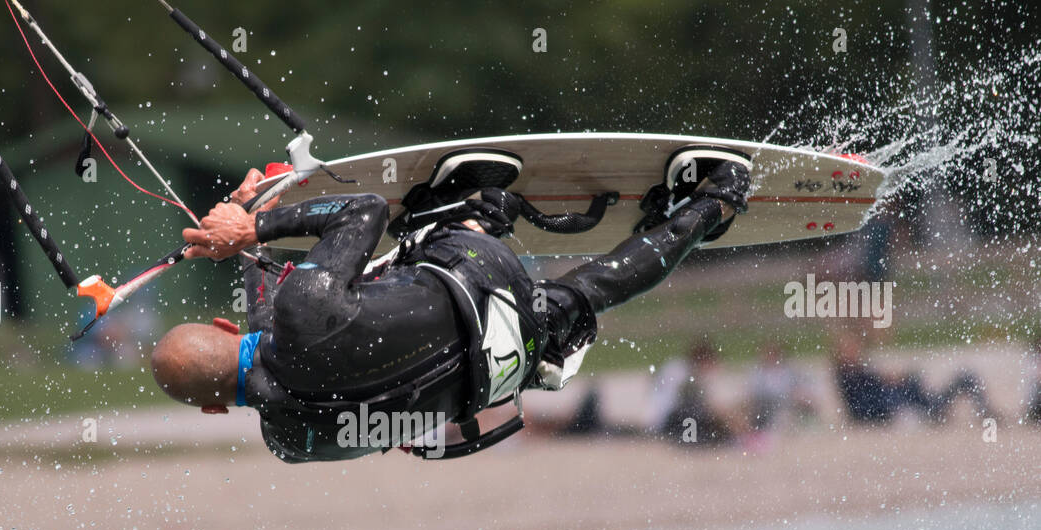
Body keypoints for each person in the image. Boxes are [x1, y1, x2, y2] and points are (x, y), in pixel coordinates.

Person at [150, 148, 751, 462]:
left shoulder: (289, 444)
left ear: (209, 411)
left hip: (505, 366)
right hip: (480, 275)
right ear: (222, 326)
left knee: (594, 290)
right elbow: (364, 211)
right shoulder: (300, 312)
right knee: (417, 231)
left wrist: (251, 216)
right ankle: (476, 207)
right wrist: (257, 227)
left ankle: (713, 204)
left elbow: (272, 337)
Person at [832, 331, 996, 425]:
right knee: (963, 379)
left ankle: (985, 412)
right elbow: (865, 404)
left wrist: (892, 380)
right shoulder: (851, 376)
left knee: (960, 379)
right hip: (907, 407)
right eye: (850, 349)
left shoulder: (856, 374)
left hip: (907, 405)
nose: (855, 352)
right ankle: (986, 414)